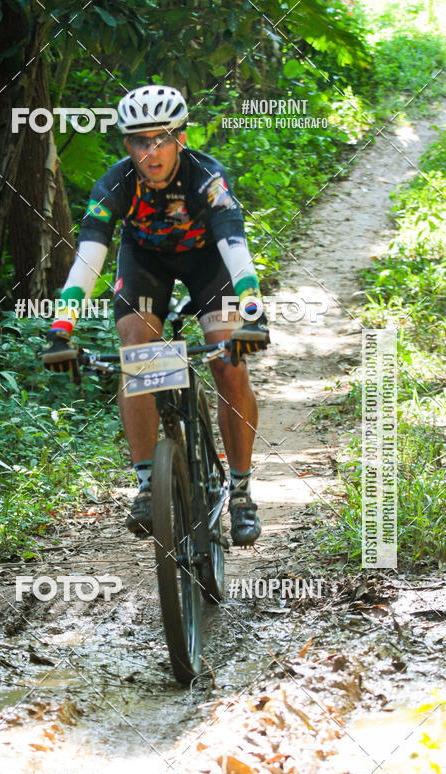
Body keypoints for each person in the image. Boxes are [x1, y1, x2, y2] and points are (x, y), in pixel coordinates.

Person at [43, 85, 269, 545]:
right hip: (146, 262)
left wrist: (252, 313)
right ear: (127, 145)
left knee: (229, 362)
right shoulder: (115, 183)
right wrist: (60, 328)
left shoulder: (207, 177)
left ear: (180, 139)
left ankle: (242, 491)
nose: (152, 150)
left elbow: (235, 249)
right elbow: (89, 259)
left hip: (208, 263)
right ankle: (148, 483)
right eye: (140, 140)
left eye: (161, 138)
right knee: (137, 355)